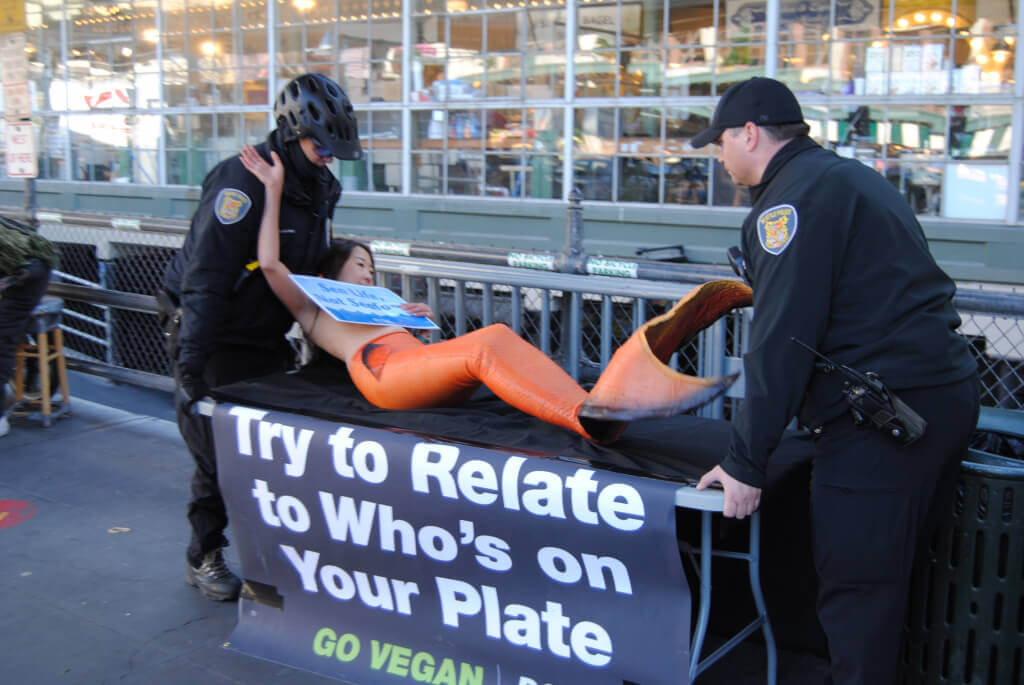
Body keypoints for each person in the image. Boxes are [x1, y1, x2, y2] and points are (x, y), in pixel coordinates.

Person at [689, 77, 980, 685]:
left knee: (857, 595)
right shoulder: (845, 177)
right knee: (887, 584)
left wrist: (746, 462)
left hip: (884, 418)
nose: (718, 156)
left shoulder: (788, 204)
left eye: (719, 143)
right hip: (932, 400)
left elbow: (782, 340)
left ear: (749, 134)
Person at [238, 144, 752, 445]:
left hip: (419, 367)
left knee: (491, 342)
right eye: (360, 266)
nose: (369, 275)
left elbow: (425, 346)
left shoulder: (385, 306)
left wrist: (409, 318)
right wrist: (273, 188)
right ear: (334, 271)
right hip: (384, 375)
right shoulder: (314, 309)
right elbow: (272, 263)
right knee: (489, 342)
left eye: (373, 267)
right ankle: (587, 415)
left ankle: (604, 396)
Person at [159, 73, 362, 602]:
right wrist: (190, 367)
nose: (328, 158)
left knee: (266, 457)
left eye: (334, 150)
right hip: (214, 334)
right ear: (293, 134)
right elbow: (205, 277)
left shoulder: (321, 187)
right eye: (321, 147)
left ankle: (264, 558)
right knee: (216, 457)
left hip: (266, 335)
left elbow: (316, 270)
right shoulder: (242, 182)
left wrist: (367, 313)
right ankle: (203, 555)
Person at [0, 217, 57, 438]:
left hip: (31, 270)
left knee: (1, 338)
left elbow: (29, 266)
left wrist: (9, 282)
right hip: (23, 265)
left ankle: (1, 417)